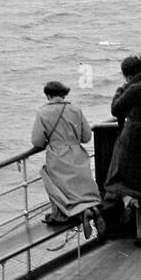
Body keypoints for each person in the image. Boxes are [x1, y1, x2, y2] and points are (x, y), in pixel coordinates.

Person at [103, 54, 141, 248]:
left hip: (132, 139)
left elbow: (116, 109)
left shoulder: (134, 88)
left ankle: (129, 200)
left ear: (127, 74)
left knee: (115, 179)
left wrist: (120, 90)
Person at [30, 81, 102, 238]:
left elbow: (37, 141)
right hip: (77, 154)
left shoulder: (43, 113)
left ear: (48, 95)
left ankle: (61, 215)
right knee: (80, 188)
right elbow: (87, 136)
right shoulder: (75, 109)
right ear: (64, 94)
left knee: (53, 182)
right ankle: (91, 209)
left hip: (57, 154)